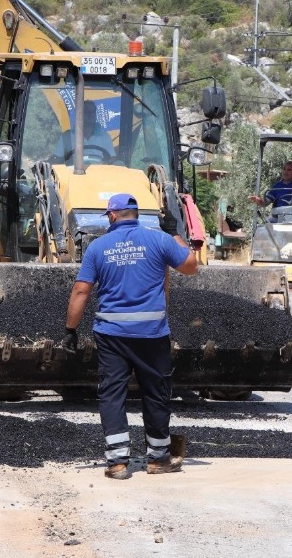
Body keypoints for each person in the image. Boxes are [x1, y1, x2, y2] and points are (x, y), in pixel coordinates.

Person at [63, 193, 199, 479]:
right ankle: (158, 460)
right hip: (152, 333)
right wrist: (175, 233)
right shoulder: (159, 240)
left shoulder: (98, 248)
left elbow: (81, 291)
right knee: (156, 393)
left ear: (112, 216)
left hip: (112, 335)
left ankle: (118, 463)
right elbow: (191, 266)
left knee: (112, 394)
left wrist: (70, 330)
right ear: (136, 214)